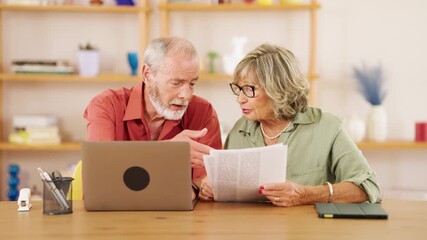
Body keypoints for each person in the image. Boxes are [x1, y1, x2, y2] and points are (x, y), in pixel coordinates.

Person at [198, 43, 382, 206]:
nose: (240, 99)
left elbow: (368, 187)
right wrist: (211, 188)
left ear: (277, 90)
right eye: (238, 88)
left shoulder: (327, 127)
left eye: (249, 89)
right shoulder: (239, 130)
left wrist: (305, 195)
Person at [84, 37, 222, 199]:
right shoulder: (107, 106)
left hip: (179, 220)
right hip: (116, 216)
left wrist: (203, 186)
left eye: (192, 84)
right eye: (176, 83)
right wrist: (168, 152)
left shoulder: (203, 111)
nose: (186, 95)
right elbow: (101, 173)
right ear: (148, 75)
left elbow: (206, 180)